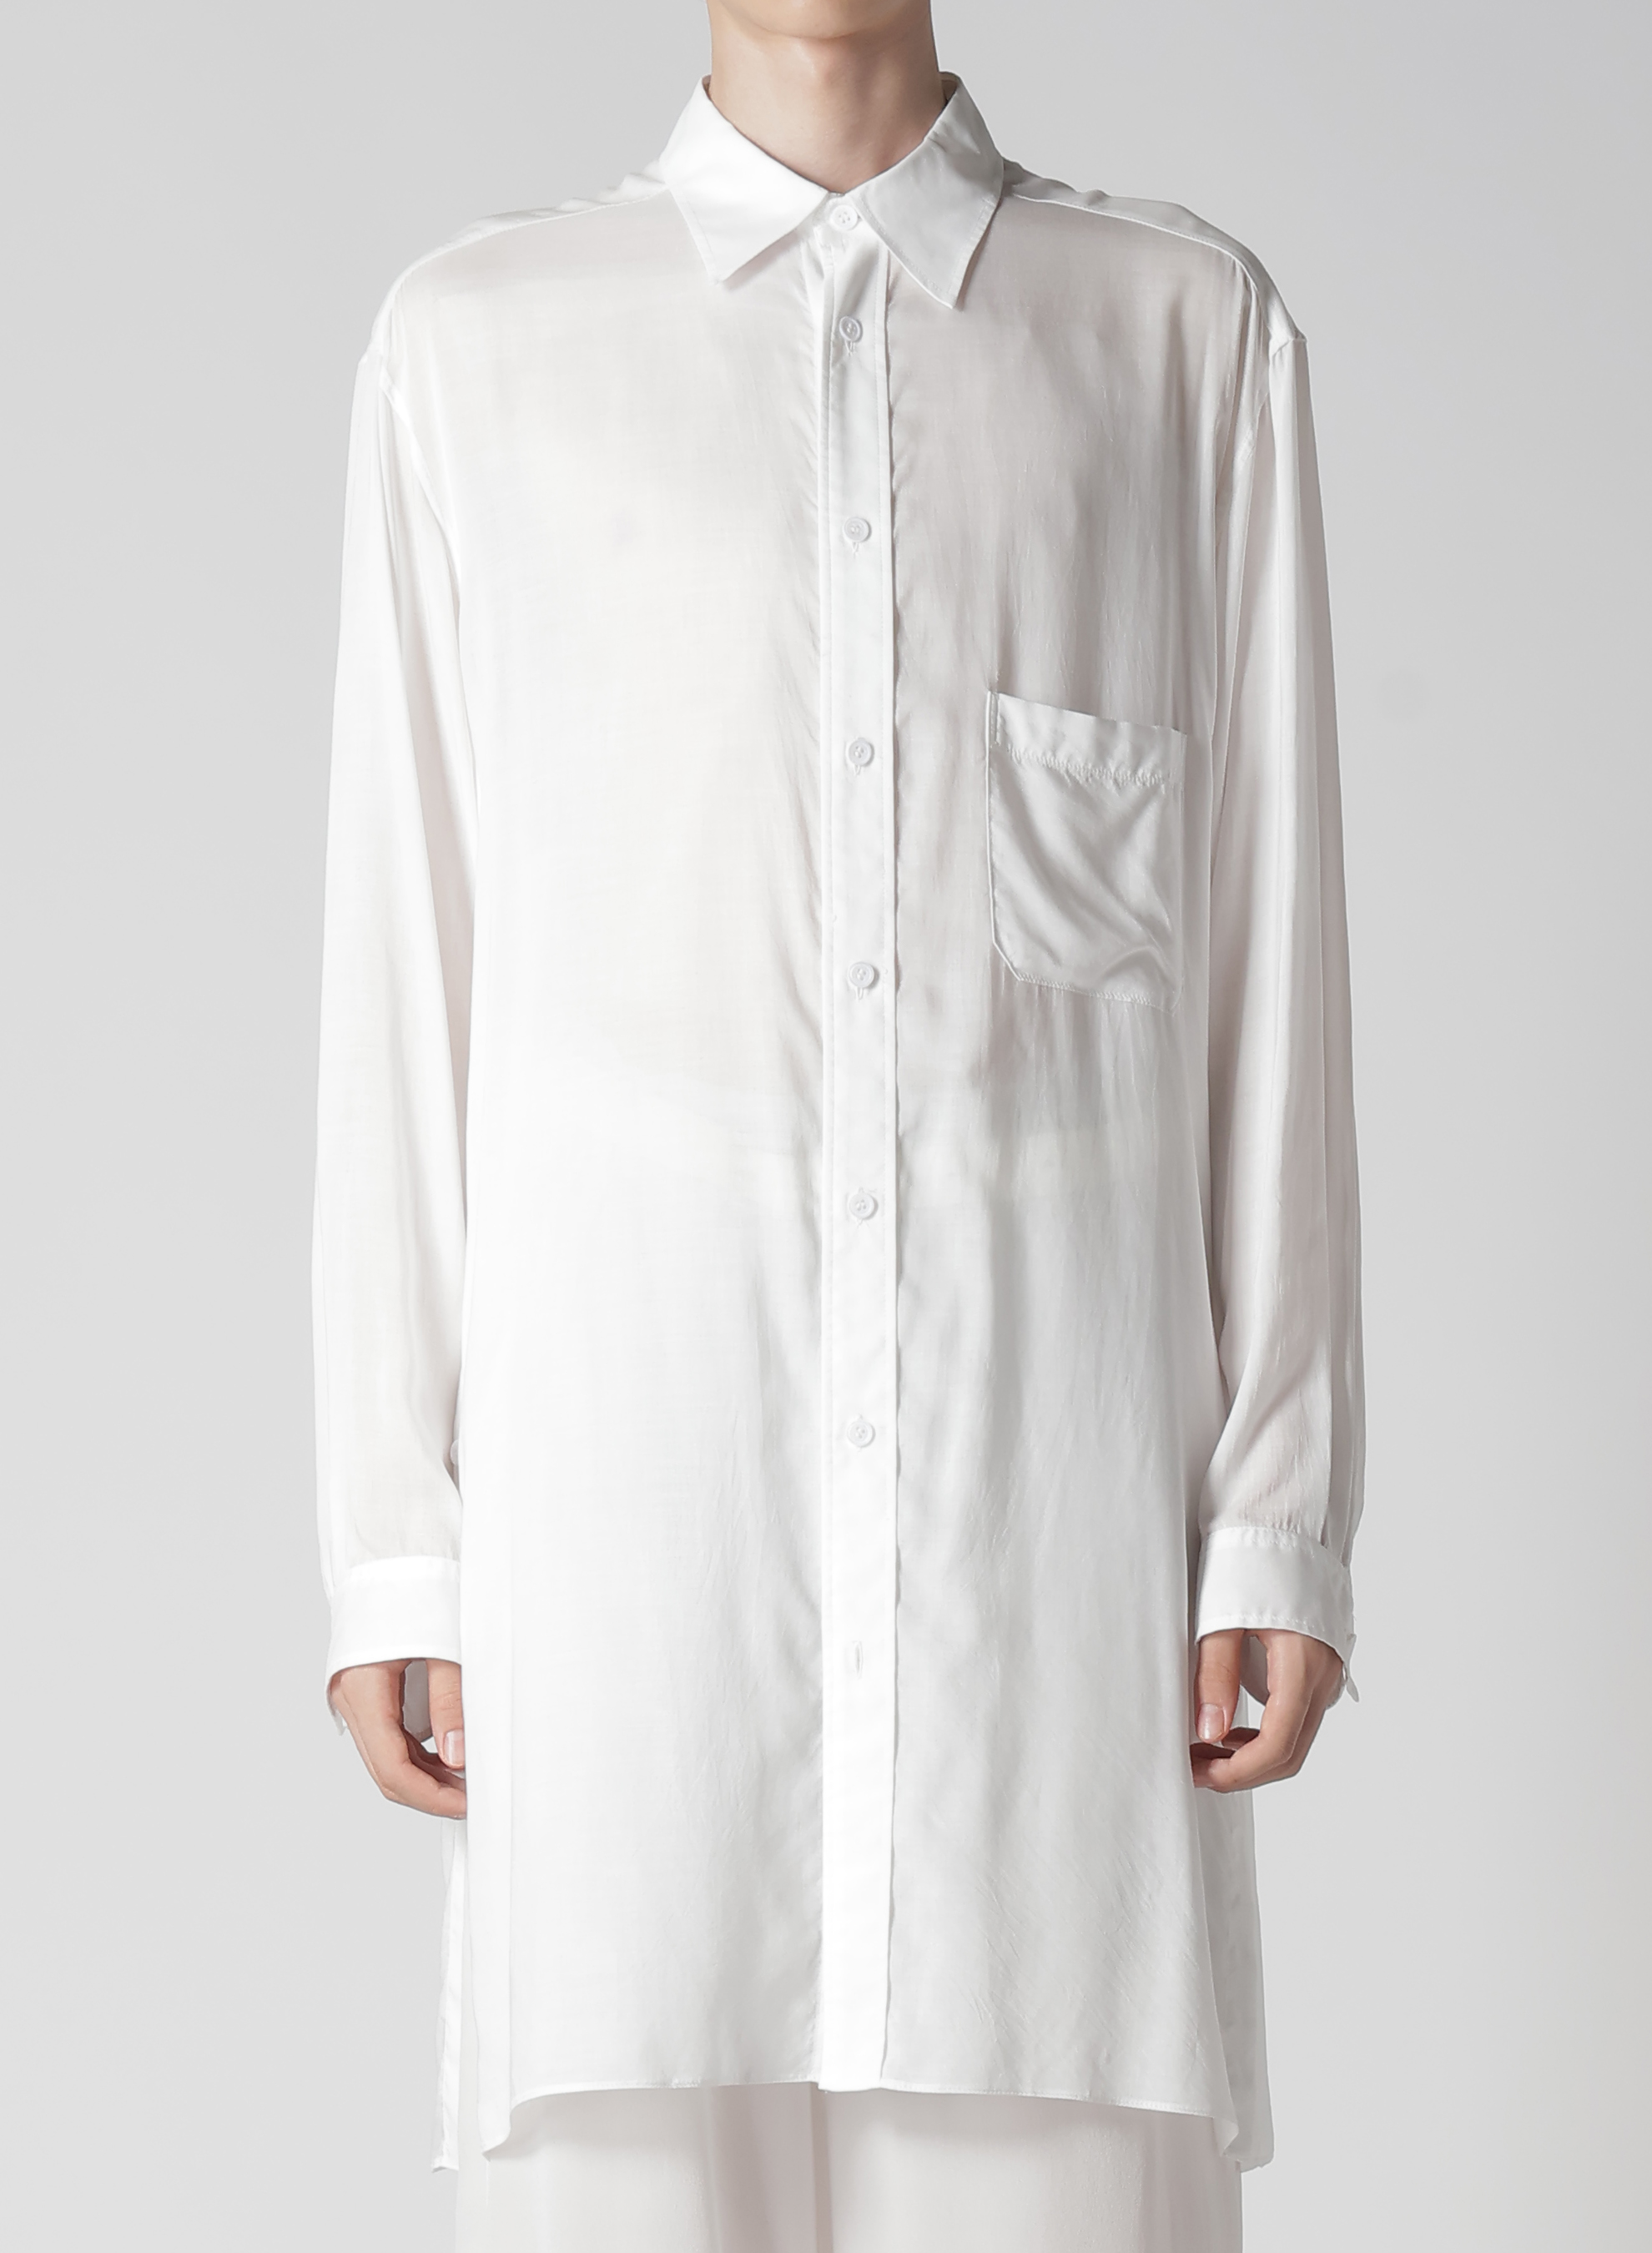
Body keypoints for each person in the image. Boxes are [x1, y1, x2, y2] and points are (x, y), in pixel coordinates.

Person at [316, 2, 1363, 2245]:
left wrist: (1275, 1504)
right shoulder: (480, 348)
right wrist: (400, 1530)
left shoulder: (1178, 338)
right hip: (631, 1585)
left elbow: (1268, 949)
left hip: (1046, 1595)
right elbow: (409, 960)